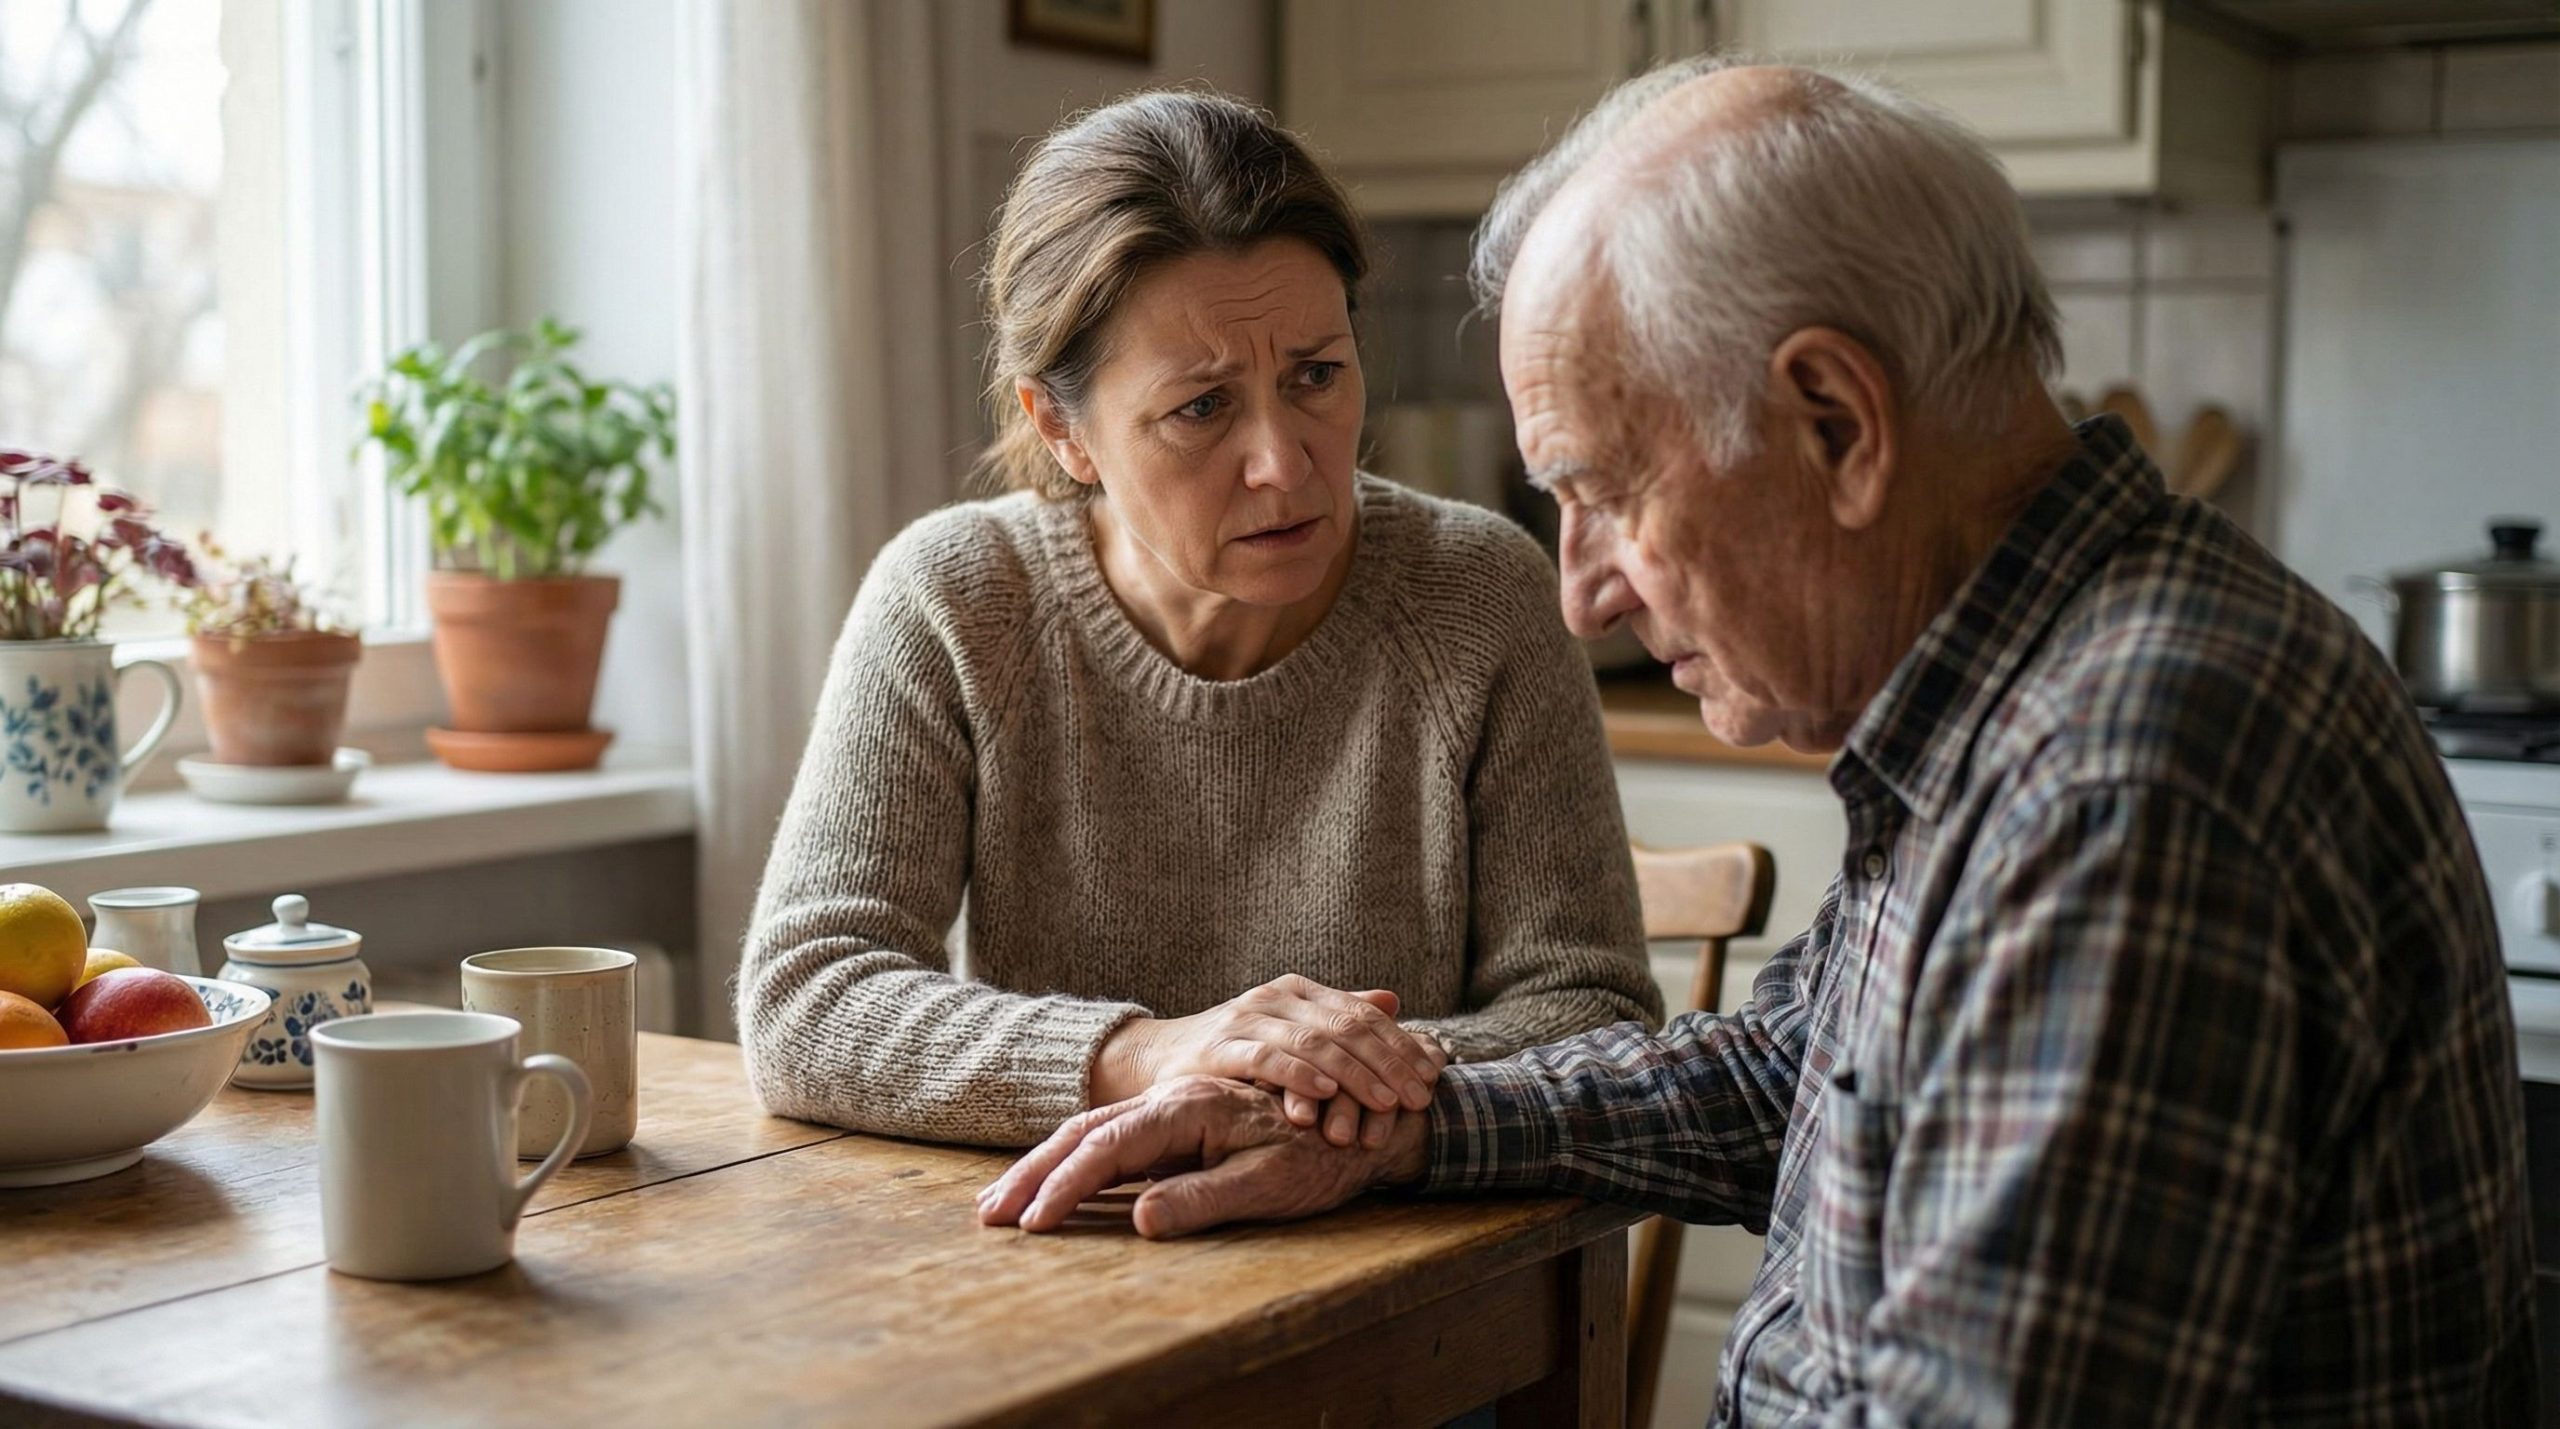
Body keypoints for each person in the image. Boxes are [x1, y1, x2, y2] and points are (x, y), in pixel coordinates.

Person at [980, 60, 2537, 1424]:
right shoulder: (2020, 685)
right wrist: (1386, 1129)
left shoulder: (2124, 785)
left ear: (1838, 428)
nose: (1579, 588)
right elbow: (1798, 1076)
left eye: (1604, 488)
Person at [736, 89, 1661, 1153]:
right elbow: (807, 999)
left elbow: (1595, 1016)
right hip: (1069, 1268)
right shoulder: (957, 599)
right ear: (1063, 429)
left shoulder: (1477, 595)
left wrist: (1279, 1094)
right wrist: (1152, 1055)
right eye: (1201, 408)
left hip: (1409, 1270)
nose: (1283, 459)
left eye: (1316, 376)